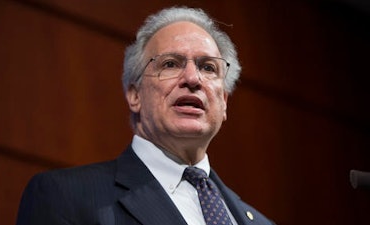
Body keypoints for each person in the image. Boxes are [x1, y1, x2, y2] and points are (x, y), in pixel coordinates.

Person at [16, 6, 276, 225]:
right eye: (170, 64)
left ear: (224, 101)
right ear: (135, 95)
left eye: (208, 67)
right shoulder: (64, 197)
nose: (192, 78)